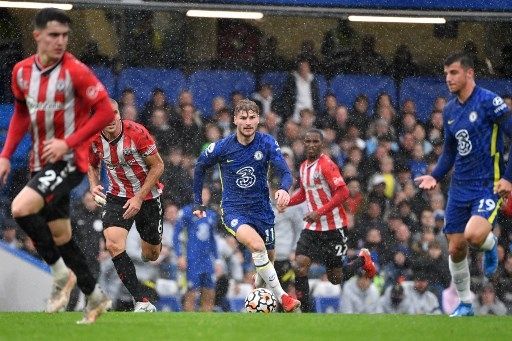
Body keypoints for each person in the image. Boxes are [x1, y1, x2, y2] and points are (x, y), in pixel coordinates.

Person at [0, 8, 114, 324]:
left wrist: (70, 141)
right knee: (61, 235)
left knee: (21, 208)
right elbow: (22, 114)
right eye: (53, 35)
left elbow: (105, 111)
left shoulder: (75, 71)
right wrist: (6, 154)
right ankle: (94, 295)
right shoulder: (22, 72)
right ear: (37, 36)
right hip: (41, 163)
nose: (60, 41)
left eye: (65, 35)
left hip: (68, 161)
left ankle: (60, 274)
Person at [415, 52, 512, 317]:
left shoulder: (490, 102)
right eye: (446, 73)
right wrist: (435, 175)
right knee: (456, 247)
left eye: (454, 72)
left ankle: (490, 246)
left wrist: (508, 178)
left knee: (473, 236)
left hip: (488, 185)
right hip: (459, 187)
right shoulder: (448, 110)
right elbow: (449, 152)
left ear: (469, 73)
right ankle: (466, 303)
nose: (448, 78)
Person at [193, 99, 301, 312]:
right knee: (257, 247)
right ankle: (284, 298)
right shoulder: (223, 147)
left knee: (268, 259)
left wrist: (283, 189)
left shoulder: (267, 142)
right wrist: (198, 201)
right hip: (234, 210)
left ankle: (256, 302)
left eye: (252, 117)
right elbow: (200, 167)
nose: (248, 122)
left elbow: (285, 172)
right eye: (243, 118)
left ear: (258, 119)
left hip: (262, 211)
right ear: (235, 120)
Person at [281, 129, 377, 312]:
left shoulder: (327, 165)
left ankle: (362, 260)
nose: (310, 145)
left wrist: (319, 211)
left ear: (322, 144)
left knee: (335, 278)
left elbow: (343, 192)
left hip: (334, 227)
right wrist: (288, 201)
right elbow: (304, 192)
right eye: (307, 141)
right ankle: (306, 312)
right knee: (300, 265)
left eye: (315, 142)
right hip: (312, 227)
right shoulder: (303, 167)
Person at [88, 99, 165, 312]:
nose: (110, 118)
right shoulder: (93, 137)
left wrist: (139, 197)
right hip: (117, 197)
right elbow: (92, 164)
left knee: (151, 255)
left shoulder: (137, 133)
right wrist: (94, 185)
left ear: (119, 114)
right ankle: (141, 301)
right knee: (113, 244)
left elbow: (158, 165)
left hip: (148, 197)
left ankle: (147, 249)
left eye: (114, 113)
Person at [173, 187, 219, 312]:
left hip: (207, 260)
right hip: (191, 259)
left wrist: (217, 260)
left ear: (209, 196)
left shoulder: (212, 215)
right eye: (201, 193)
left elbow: (213, 239)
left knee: (209, 293)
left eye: (206, 193)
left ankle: (206, 326)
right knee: (191, 294)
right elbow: (176, 235)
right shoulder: (186, 212)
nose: (203, 196)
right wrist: (180, 255)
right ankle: (188, 326)